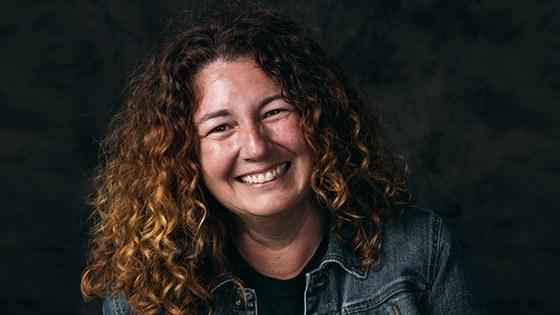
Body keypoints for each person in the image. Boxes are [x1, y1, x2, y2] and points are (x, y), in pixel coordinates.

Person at [81, 6, 483, 315]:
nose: (256, 146)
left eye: (275, 112)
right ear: (184, 154)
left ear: (319, 117)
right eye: (221, 127)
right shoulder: (141, 294)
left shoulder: (420, 250)